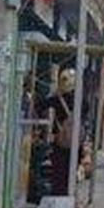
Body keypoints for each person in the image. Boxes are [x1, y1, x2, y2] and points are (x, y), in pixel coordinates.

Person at [41, 69, 76, 197]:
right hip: (75, 141)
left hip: (60, 140)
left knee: (58, 171)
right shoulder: (80, 99)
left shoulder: (56, 99)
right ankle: (69, 196)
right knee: (69, 172)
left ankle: (58, 195)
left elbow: (40, 105)